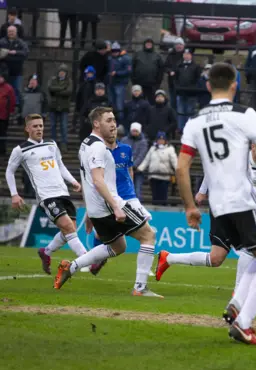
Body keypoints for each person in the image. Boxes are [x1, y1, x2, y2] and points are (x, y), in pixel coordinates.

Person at [156, 62, 256, 347]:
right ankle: (243, 324)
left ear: (208, 86)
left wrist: (190, 206)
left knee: (250, 255)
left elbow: (181, 167)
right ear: (235, 84)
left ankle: (237, 303)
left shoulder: (195, 121)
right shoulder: (244, 114)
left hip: (218, 205)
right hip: (243, 199)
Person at [54, 107, 161, 300]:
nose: (113, 125)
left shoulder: (85, 144)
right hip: (110, 204)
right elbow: (97, 180)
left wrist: (89, 212)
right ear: (96, 123)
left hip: (97, 209)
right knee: (148, 235)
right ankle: (140, 287)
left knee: (118, 246)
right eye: (108, 121)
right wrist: (117, 206)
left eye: (114, 120)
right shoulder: (98, 147)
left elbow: (87, 181)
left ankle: (72, 267)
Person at [156, 143, 256, 307]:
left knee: (215, 259)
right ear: (253, 146)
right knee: (251, 249)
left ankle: (168, 258)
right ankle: (239, 294)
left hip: (242, 208)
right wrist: (202, 191)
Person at [5, 114, 85, 275]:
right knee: (69, 227)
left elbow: (60, 166)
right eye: (35, 126)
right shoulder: (20, 150)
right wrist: (14, 194)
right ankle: (87, 259)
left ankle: (46, 252)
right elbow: (9, 171)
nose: (39, 129)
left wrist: (73, 181)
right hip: (46, 196)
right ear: (27, 128)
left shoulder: (51, 144)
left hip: (63, 192)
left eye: (41, 126)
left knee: (69, 230)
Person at [86, 136, 155, 278]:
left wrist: (132, 188)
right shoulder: (100, 152)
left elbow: (130, 170)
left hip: (128, 195)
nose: (113, 130)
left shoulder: (126, 149)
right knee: (99, 234)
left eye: (115, 127)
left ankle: (145, 267)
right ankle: (96, 262)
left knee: (147, 229)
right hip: (111, 196)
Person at [137, 132, 177, 205]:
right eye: (159, 139)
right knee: (155, 195)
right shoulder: (152, 148)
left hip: (165, 176)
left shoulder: (170, 149)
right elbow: (147, 160)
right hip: (153, 175)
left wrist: (178, 170)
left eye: (162, 139)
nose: (161, 141)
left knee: (163, 195)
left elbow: (174, 161)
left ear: (165, 140)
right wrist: (140, 168)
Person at [0, 25, 28, 114]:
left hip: (17, 72)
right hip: (4, 73)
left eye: (12, 31)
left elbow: (25, 53)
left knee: (18, 92)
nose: (11, 33)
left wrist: (15, 52)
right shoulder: (2, 42)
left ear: (16, 32)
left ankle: (19, 112)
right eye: (9, 31)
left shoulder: (20, 43)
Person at [121, 122, 149, 199]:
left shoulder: (143, 142)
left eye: (136, 131)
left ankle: (138, 206)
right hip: (125, 169)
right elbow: (121, 152)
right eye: (133, 130)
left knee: (137, 189)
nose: (134, 132)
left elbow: (141, 155)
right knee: (124, 188)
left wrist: (133, 166)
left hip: (137, 170)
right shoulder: (124, 140)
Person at [132, 38, 164, 104]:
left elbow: (161, 70)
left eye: (150, 44)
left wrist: (158, 83)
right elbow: (132, 67)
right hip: (139, 83)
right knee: (138, 101)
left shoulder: (157, 56)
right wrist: (134, 81)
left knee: (151, 102)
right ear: (144, 45)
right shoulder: (138, 54)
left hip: (152, 84)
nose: (148, 45)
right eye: (147, 43)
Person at [175, 49, 200, 132]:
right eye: (185, 54)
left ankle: (189, 128)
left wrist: (193, 88)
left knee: (190, 111)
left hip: (191, 94)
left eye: (188, 54)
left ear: (191, 56)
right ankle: (181, 128)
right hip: (180, 92)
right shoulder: (179, 65)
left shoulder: (196, 66)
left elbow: (198, 79)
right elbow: (176, 78)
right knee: (180, 111)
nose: (186, 56)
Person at [47, 64, 72, 149]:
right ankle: (53, 143)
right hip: (53, 106)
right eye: (60, 72)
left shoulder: (69, 81)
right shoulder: (53, 80)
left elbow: (68, 92)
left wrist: (56, 91)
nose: (61, 73)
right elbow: (50, 88)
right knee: (53, 126)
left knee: (63, 126)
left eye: (63, 72)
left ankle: (64, 143)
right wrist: (62, 88)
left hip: (64, 107)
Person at [108, 42, 132, 123]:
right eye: (113, 51)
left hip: (120, 83)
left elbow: (128, 71)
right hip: (111, 83)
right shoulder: (110, 58)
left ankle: (120, 122)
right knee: (112, 103)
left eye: (116, 51)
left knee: (119, 104)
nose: (114, 53)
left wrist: (117, 73)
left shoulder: (126, 58)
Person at [164, 38, 186, 111]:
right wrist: (169, 71)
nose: (178, 46)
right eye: (177, 44)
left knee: (181, 104)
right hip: (172, 83)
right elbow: (165, 66)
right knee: (173, 103)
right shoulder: (170, 55)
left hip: (183, 83)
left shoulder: (186, 55)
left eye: (180, 44)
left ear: (183, 46)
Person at [0, 72, 16, 156]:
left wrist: (10, 112)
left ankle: (2, 151)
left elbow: (12, 101)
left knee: (3, 133)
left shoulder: (8, 88)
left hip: (4, 115)